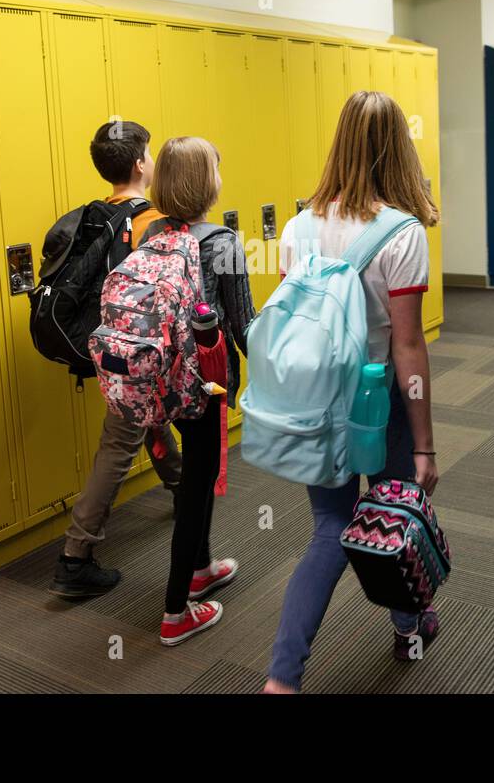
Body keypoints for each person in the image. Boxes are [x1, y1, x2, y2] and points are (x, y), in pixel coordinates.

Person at [262, 91, 441, 693]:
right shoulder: (402, 233)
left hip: (318, 406)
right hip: (379, 405)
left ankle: (283, 678)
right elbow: (408, 347)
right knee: (394, 513)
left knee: (328, 531)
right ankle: (408, 626)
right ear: (400, 149)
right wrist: (425, 445)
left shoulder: (296, 225)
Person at [51, 120, 182, 599]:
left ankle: (180, 484)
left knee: (145, 416)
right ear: (141, 164)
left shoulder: (95, 216)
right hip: (137, 349)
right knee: (118, 442)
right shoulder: (151, 221)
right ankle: (75, 556)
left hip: (104, 344)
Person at [141, 137, 255, 645]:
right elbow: (244, 326)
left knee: (199, 472)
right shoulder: (224, 243)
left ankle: (201, 567)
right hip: (207, 383)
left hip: (163, 379)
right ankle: (173, 611)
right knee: (196, 483)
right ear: (205, 182)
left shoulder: (150, 235)